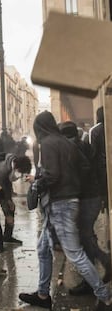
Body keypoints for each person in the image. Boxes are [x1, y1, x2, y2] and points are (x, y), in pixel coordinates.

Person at [19, 111, 111, 311]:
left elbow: (52, 175)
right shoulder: (66, 142)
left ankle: (105, 297)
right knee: (43, 247)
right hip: (61, 203)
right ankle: (43, 294)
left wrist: (37, 182)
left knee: (75, 253)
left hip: (60, 204)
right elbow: (84, 166)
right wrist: (72, 183)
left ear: (40, 128)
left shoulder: (49, 143)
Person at [59, 121, 111, 295]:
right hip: (92, 197)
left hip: (87, 199)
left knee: (85, 238)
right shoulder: (82, 145)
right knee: (87, 236)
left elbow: (82, 173)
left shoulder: (74, 149)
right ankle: (102, 266)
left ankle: (92, 280)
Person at [0, 153, 32, 252]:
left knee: (11, 208)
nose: (20, 175)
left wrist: (9, 200)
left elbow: (7, 184)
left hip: (0, 185)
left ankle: (7, 236)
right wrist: (7, 213)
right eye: (20, 172)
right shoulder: (2, 170)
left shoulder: (12, 164)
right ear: (17, 167)